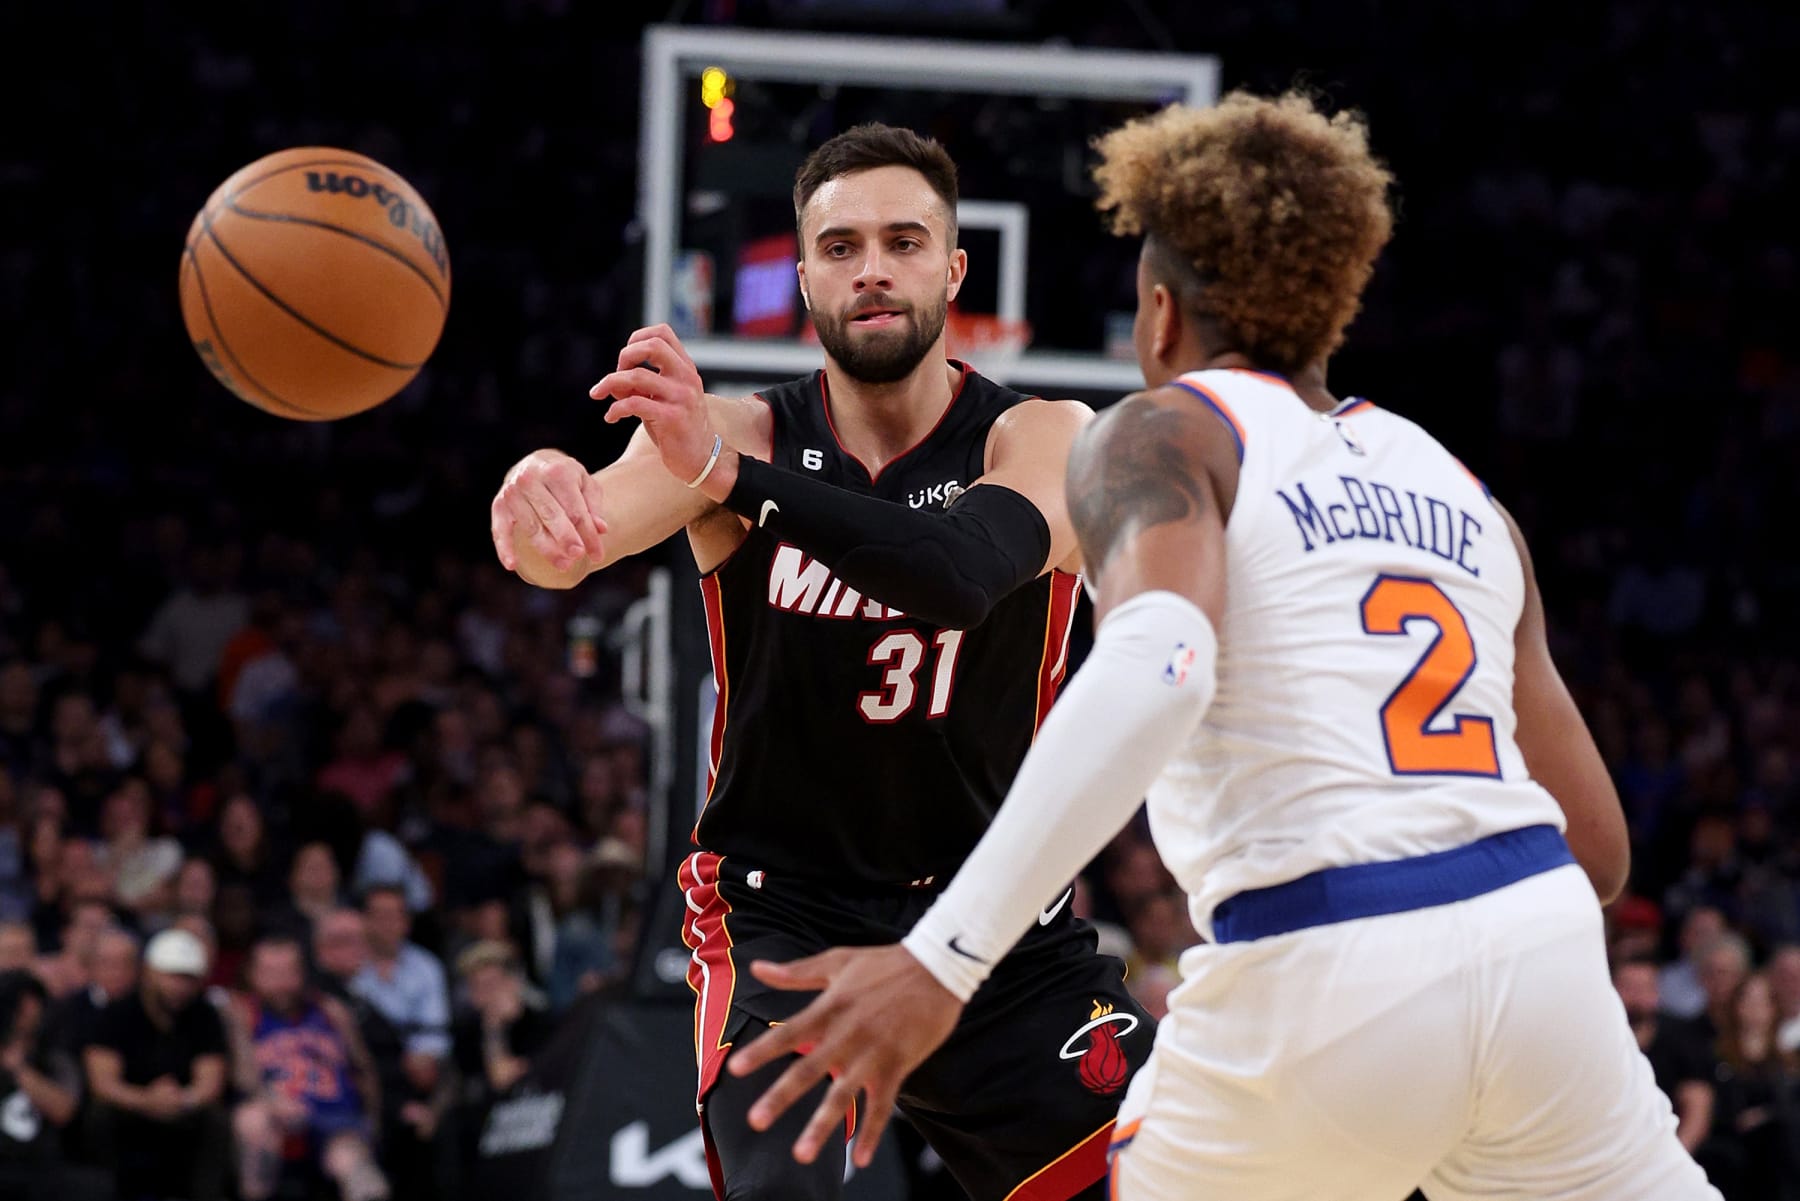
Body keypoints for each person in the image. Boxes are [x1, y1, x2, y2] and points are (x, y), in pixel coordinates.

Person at [725, 91, 1724, 1200]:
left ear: (1159, 315)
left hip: (1325, 950)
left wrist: (942, 957)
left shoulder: (1163, 432)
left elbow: (1161, 661)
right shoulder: (1457, 484)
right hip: (1538, 945)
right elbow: (1600, 852)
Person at [490, 122, 1151, 1201]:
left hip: (991, 923)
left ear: (955, 267)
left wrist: (722, 477)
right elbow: (562, 548)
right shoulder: (734, 433)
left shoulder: (1041, 438)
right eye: (840, 247)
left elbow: (960, 572)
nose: (873, 268)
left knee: (1182, 1177)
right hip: (782, 915)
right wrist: (532, 483)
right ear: (803, 278)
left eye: (903, 240)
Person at [226, 934, 388, 1201]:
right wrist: (270, 1100)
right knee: (252, 1120)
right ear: (253, 975)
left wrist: (372, 1124)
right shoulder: (243, 1013)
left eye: (288, 972)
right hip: (277, 1111)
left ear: (302, 973)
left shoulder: (331, 1010)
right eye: (270, 973)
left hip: (334, 1115)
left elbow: (364, 1070)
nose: (280, 984)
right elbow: (244, 1075)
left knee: (360, 1176)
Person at [82, 926, 230, 1201]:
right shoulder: (117, 1012)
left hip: (182, 1108)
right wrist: (146, 1100)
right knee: (99, 1115)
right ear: (149, 972)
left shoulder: (205, 1015)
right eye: (171, 976)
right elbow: (102, 1082)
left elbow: (210, 1081)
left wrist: (182, 1100)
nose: (179, 986)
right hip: (130, 1107)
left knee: (216, 1120)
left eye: (187, 978)